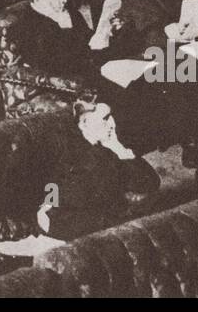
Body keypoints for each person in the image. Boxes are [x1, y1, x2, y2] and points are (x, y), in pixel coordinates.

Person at [36, 100, 160, 240]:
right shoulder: (67, 156)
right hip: (75, 233)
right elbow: (50, 201)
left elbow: (150, 183)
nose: (112, 124)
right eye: (105, 119)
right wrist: (47, 208)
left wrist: (118, 148)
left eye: (111, 118)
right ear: (85, 122)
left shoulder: (107, 153)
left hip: (106, 230)